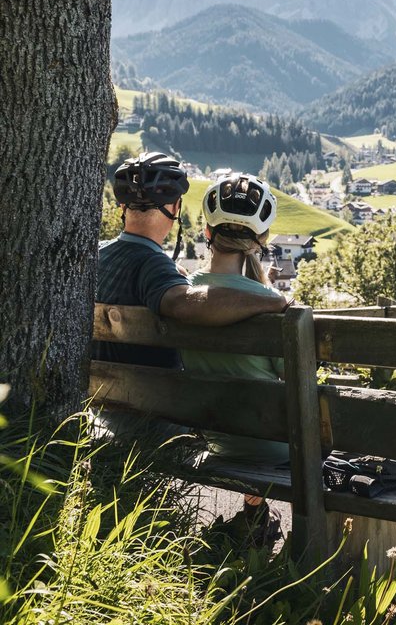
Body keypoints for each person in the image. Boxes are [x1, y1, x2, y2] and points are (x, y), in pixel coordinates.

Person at [92, 152, 288, 370]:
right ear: (176, 207)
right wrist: (273, 301)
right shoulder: (153, 267)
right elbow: (182, 304)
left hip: (97, 393)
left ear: (121, 206)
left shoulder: (96, 253)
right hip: (150, 399)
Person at [181, 172, 289, 544]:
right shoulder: (268, 303)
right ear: (261, 241)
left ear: (208, 234)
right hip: (272, 445)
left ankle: (255, 519)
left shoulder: (179, 295)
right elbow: (293, 377)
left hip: (212, 437)